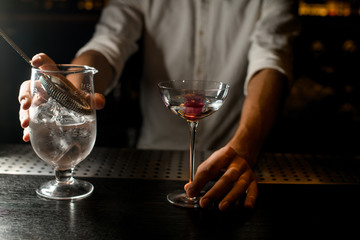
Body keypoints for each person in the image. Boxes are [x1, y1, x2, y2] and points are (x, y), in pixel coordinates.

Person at [18, 0, 300, 211]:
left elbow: (272, 57)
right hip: (151, 165)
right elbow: (109, 43)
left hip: (235, 161)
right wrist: (71, 88)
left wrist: (245, 146)